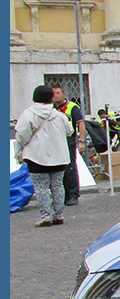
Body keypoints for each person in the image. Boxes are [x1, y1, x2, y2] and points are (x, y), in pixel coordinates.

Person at [15, 85, 74, 226]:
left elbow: (21, 135)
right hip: (59, 156)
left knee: (41, 187)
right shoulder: (58, 114)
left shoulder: (28, 114)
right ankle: (59, 215)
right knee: (58, 186)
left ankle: (45, 216)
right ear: (51, 98)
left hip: (36, 156)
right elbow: (69, 130)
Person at [51, 84, 87, 205]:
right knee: (56, 169)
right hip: (55, 141)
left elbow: (81, 124)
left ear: (64, 94)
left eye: (57, 93)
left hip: (68, 140)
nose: (55, 96)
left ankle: (73, 195)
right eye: (53, 93)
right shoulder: (50, 108)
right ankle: (61, 195)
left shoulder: (72, 107)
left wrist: (81, 141)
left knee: (69, 168)